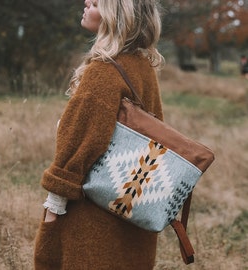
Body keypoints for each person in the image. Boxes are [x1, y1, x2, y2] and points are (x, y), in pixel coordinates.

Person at [34, 0, 164, 269]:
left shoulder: (104, 72)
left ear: (116, 15)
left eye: (95, 2)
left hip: (91, 222)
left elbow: (79, 146)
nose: (86, 3)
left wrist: (53, 209)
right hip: (131, 214)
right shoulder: (142, 66)